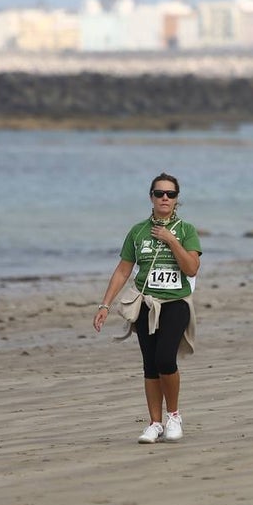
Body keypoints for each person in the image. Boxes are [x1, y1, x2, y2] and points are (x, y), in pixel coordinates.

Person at [93, 173, 202, 443]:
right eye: (159, 193)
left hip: (175, 302)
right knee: (150, 365)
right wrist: (105, 304)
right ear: (151, 197)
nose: (165, 198)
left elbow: (191, 268)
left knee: (166, 359)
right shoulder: (138, 231)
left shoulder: (187, 230)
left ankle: (174, 416)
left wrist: (171, 240)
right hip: (144, 302)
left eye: (171, 194)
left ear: (177, 199)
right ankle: (155, 423)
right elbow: (122, 271)